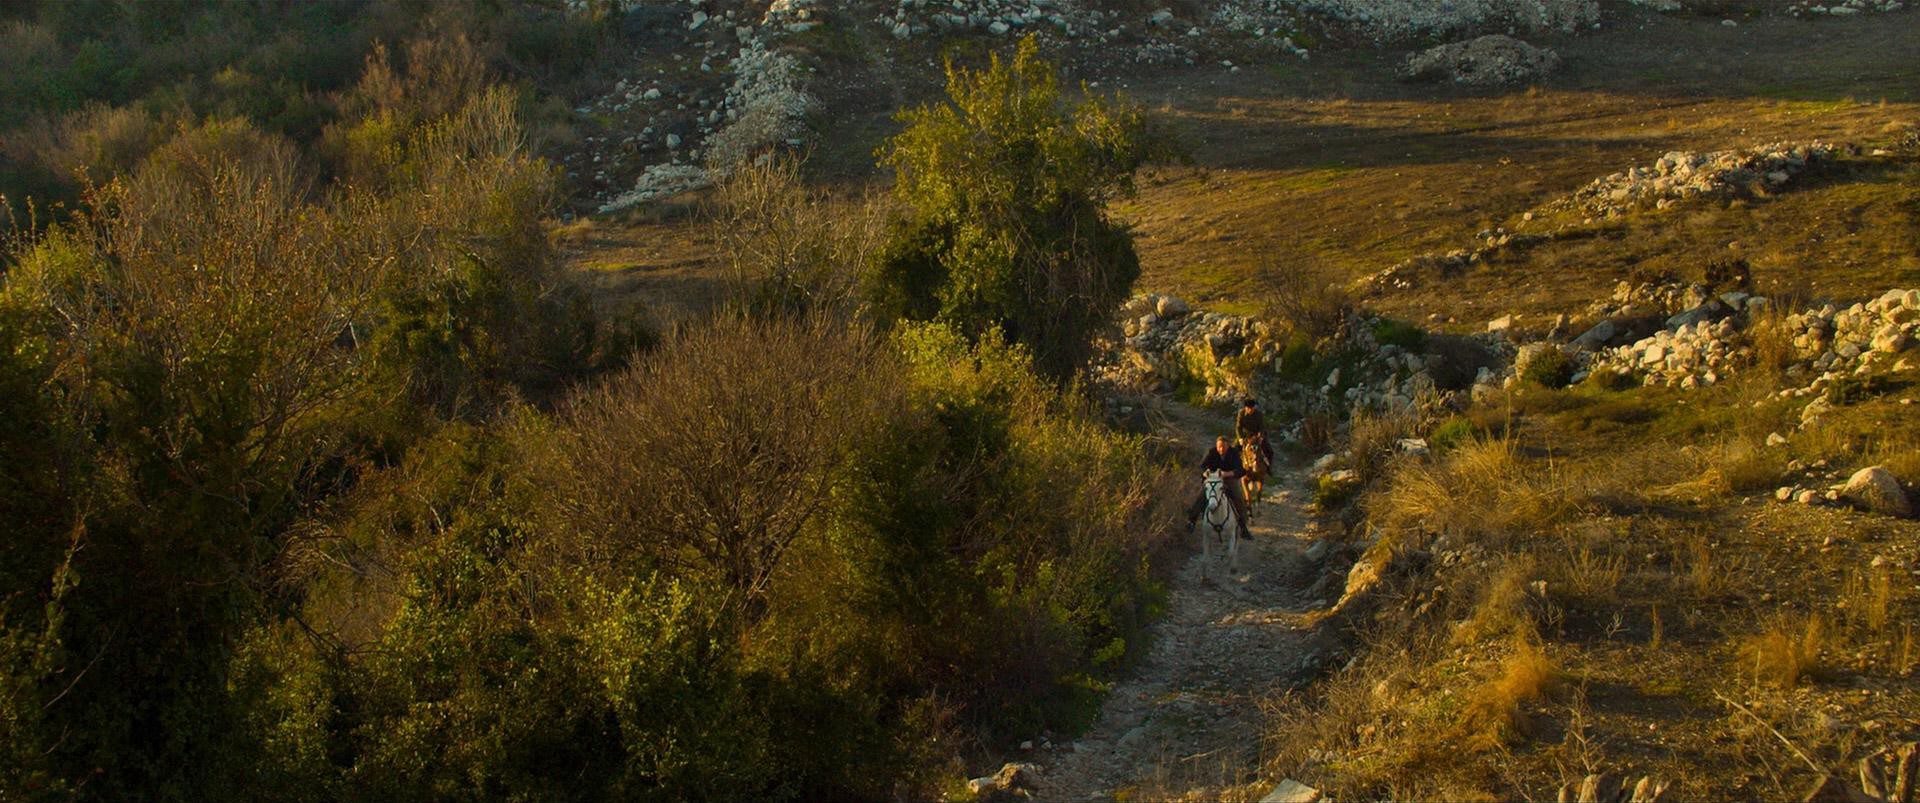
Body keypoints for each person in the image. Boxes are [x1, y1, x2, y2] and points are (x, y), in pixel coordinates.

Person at [1186, 436, 1249, 529]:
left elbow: (1241, 470)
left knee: (1238, 496)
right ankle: (1192, 520)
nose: (1221, 449)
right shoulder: (1211, 452)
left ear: (1228, 446)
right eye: (1219, 447)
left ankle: (1243, 525)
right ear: (1216, 446)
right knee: (1202, 494)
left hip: (1229, 479)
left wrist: (1228, 473)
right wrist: (1205, 473)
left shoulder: (1234, 453)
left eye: (1223, 447)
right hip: (1213, 478)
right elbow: (1202, 466)